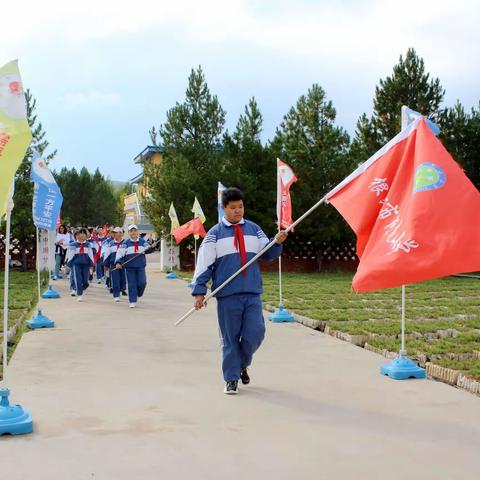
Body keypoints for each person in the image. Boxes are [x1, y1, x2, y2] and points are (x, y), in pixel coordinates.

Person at [191, 187, 288, 395]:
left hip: (252, 292)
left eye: (241, 207)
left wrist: (277, 242)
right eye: (233, 207)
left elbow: (268, 252)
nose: (238, 211)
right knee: (230, 339)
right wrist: (199, 292)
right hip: (227, 296)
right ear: (223, 208)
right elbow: (203, 266)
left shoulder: (254, 229)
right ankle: (231, 378)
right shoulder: (214, 235)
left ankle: (242, 363)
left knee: (256, 332)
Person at [115, 225, 155, 308]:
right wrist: (118, 262)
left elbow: (148, 249)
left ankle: (139, 293)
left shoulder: (142, 241)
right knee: (131, 284)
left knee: (142, 282)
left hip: (140, 266)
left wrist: (152, 247)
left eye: (135, 231)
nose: (133, 232)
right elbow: (120, 253)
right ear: (129, 233)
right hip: (129, 267)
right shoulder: (126, 243)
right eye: (131, 231)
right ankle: (132, 301)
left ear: (137, 232)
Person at [65, 228, 95, 302]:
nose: (81, 235)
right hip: (76, 264)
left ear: (86, 235)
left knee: (85, 281)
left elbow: (91, 255)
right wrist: (69, 264)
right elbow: (70, 255)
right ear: (76, 236)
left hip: (86, 264)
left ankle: (82, 288)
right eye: (79, 234)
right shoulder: (73, 245)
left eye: (83, 234)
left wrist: (92, 264)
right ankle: (79, 294)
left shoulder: (88, 245)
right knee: (78, 279)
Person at [104, 227, 127, 302]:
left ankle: (122, 289)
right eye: (115, 233)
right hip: (114, 264)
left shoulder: (126, 243)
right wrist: (106, 265)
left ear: (122, 233)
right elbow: (106, 255)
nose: (117, 234)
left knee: (123, 280)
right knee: (115, 280)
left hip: (124, 264)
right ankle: (116, 295)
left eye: (119, 232)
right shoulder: (110, 244)